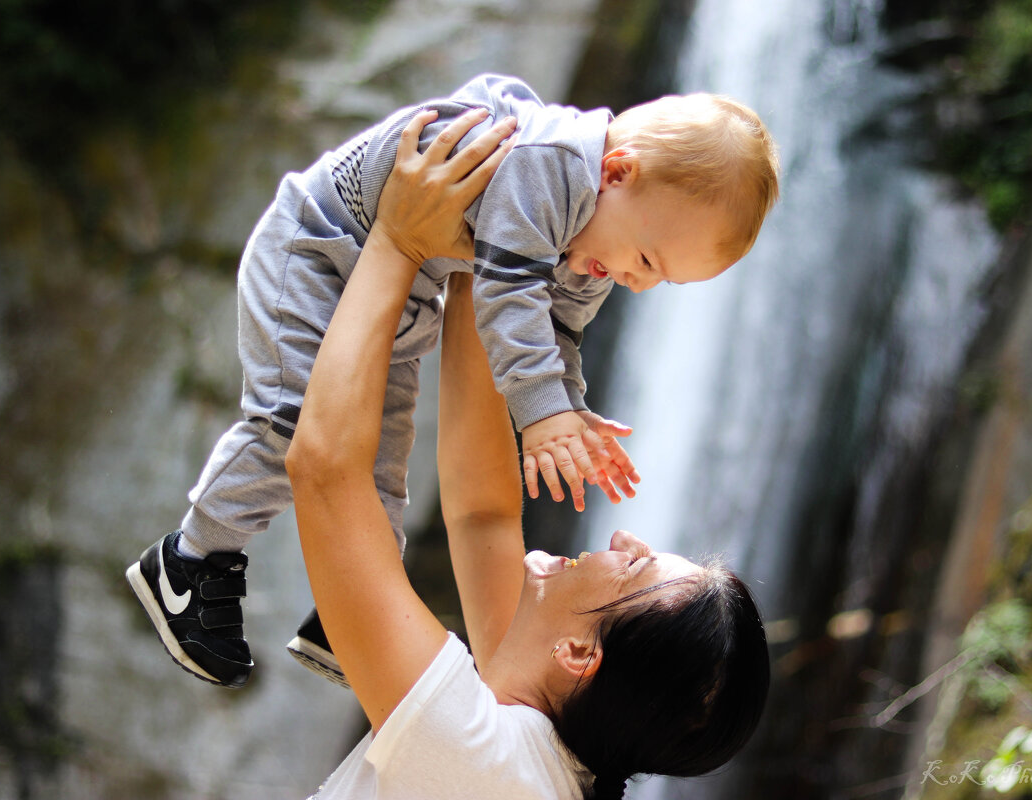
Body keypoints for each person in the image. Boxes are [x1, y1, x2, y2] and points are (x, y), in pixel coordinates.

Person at [127, 73, 780, 689]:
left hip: (402, 299)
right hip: (318, 254)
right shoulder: (547, 167)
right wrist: (541, 413)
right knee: (294, 424)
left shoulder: (598, 245)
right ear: (615, 172)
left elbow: (557, 335)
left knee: (383, 458)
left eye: (661, 279)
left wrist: (570, 410)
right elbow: (506, 295)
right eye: (645, 260)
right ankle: (192, 559)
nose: (637, 281)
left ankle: (355, 603)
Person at [288, 103, 771, 800]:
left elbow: (325, 473)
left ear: (580, 654)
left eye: (634, 564)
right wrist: (490, 235)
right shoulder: (539, 751)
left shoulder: (484, 763)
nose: (625, 534)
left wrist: (397, 237)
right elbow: (482, 511)